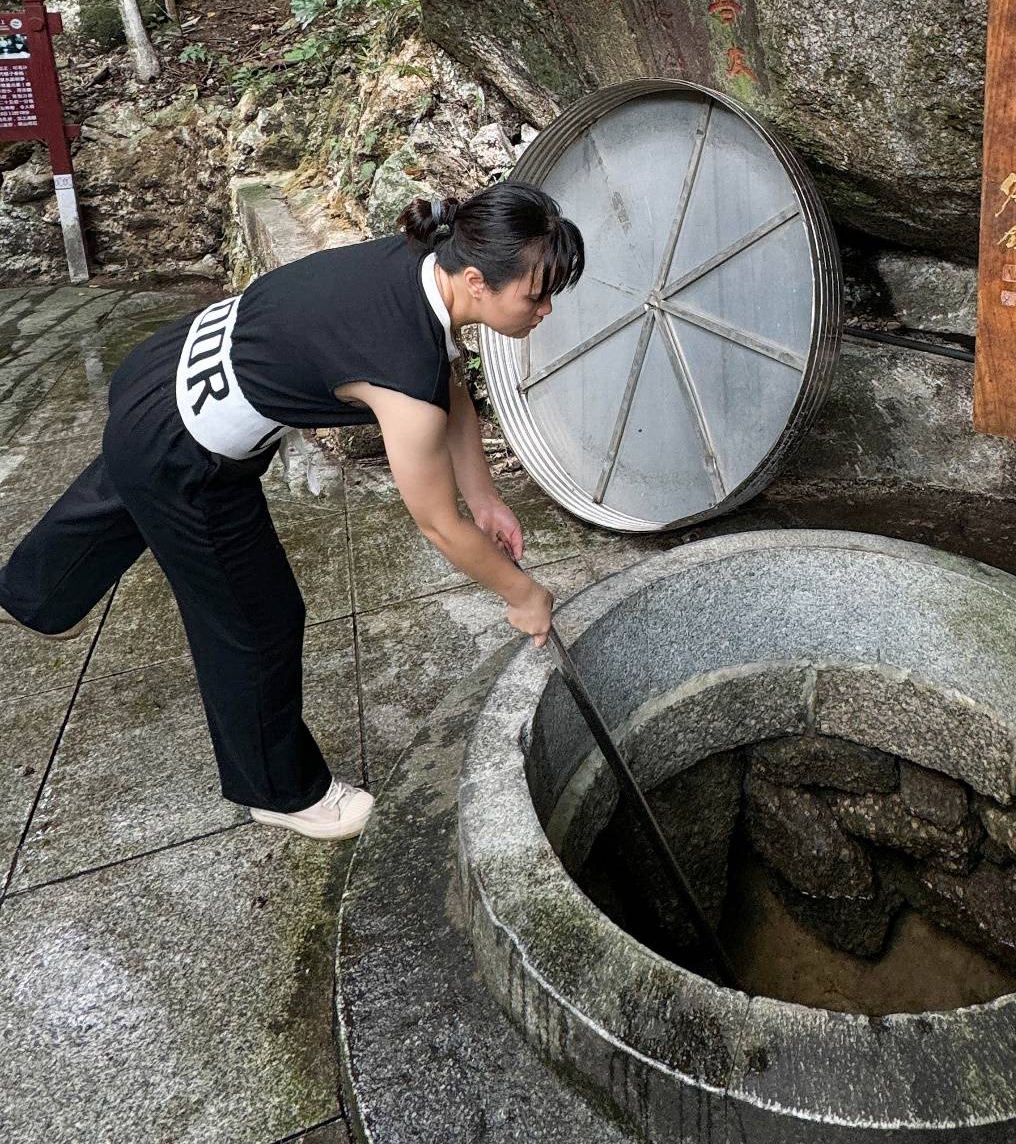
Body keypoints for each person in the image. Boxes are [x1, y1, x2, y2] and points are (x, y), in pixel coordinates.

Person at [0, 185, 582, 842]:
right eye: (536, 295)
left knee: (129, 473)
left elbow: (450, 390)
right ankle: (277, 789)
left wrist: (486, 496)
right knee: (259, 619)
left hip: (158, 375)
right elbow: (438, 525)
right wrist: (523, 593)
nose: (546, 308)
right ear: (477, 279)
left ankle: (34, 594)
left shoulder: (420, 260)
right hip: (187, 454)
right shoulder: (401, 371)